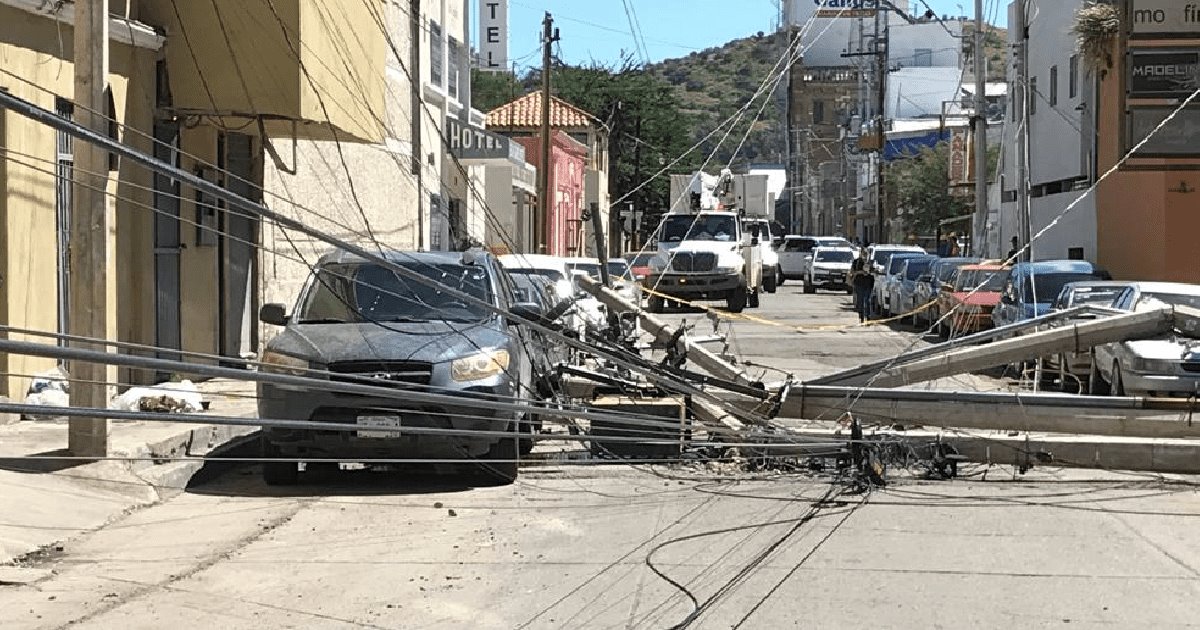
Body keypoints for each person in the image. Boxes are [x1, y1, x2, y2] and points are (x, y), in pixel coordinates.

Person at [850, 249, 874, 324]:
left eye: (866, 254)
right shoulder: (856, 262)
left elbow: (874, 272)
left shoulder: (871, 262)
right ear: (861, 254)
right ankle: (861, 317)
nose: (865, 255)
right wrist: (860, 272)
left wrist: (870, 272)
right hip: (859, 284)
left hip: (868, 284)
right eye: (864, 254)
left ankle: (868, 317)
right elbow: (852, 272)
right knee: (860, 301)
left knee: (867, 301)